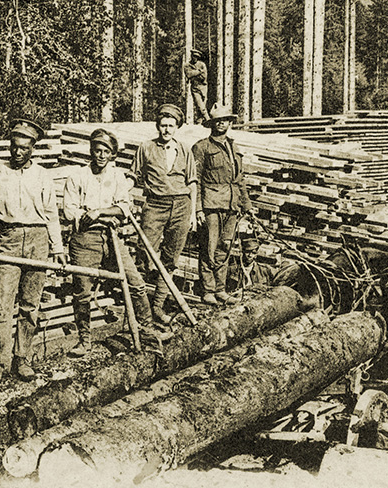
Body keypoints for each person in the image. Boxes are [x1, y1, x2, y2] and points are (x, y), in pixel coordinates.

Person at [0, 118, 66, 386]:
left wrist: (57, 248)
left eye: (24, 147)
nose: (18, 151)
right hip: (9, 240)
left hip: (38, 240)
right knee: (3, 306)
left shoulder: (43, 175)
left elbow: (51, 215)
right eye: (15, 146)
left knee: (30, 306)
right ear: (10, 146)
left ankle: (22, 359)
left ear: (33, 148)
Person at [62, 128, 172, 356]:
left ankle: (148, 332)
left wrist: (99, 212)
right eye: (97, 150)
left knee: (136, 283)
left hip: (111, 239)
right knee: (82, 292)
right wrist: (101, 215)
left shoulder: (117, 176)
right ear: (91, 151)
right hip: (84, 240)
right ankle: (84, 341)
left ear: (112, 154)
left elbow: (124, 207)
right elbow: (69, 212)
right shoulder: (78, 177)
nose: (101, 155)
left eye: (106, 152)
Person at [130, 103, 198, 325]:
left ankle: (157, 306)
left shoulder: (185, 149)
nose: (166, 130)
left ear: (177, 127)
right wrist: (123, 196)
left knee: (170, 258)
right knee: (144, 253)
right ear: (157, 126)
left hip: (181, 205)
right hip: (155, 205)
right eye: (163, 125)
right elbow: (133, 176)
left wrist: (193, 214)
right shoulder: (146, 147)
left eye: (171, 125)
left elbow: (192, 182)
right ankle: (139, 307)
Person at [191, 104, 251, 305]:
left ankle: (220, 289)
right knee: (209, 246)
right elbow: (195, 180)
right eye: (218, 120)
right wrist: (198, 208)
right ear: (212, 124)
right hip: (211, 204)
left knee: (225, 247)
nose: (222, 123)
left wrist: (247, 205)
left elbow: (239, 178)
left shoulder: (234, 147)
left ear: (230, 123)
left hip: (232, 204)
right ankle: (207, 290)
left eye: (225, 120)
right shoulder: (202, 147)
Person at [183, 50, 210, 124]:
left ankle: (199, 121)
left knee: (203, 104)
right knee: (199, 104)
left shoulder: (202, 64)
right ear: (191, 56)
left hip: (203, 86)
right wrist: (198, 72)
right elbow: (189, 74)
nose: (195, 58)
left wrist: (195, 73)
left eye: (197, 57)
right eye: (194, 56)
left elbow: (204, 76)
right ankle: (208, 119)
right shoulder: (187, 65)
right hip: (195, 87)